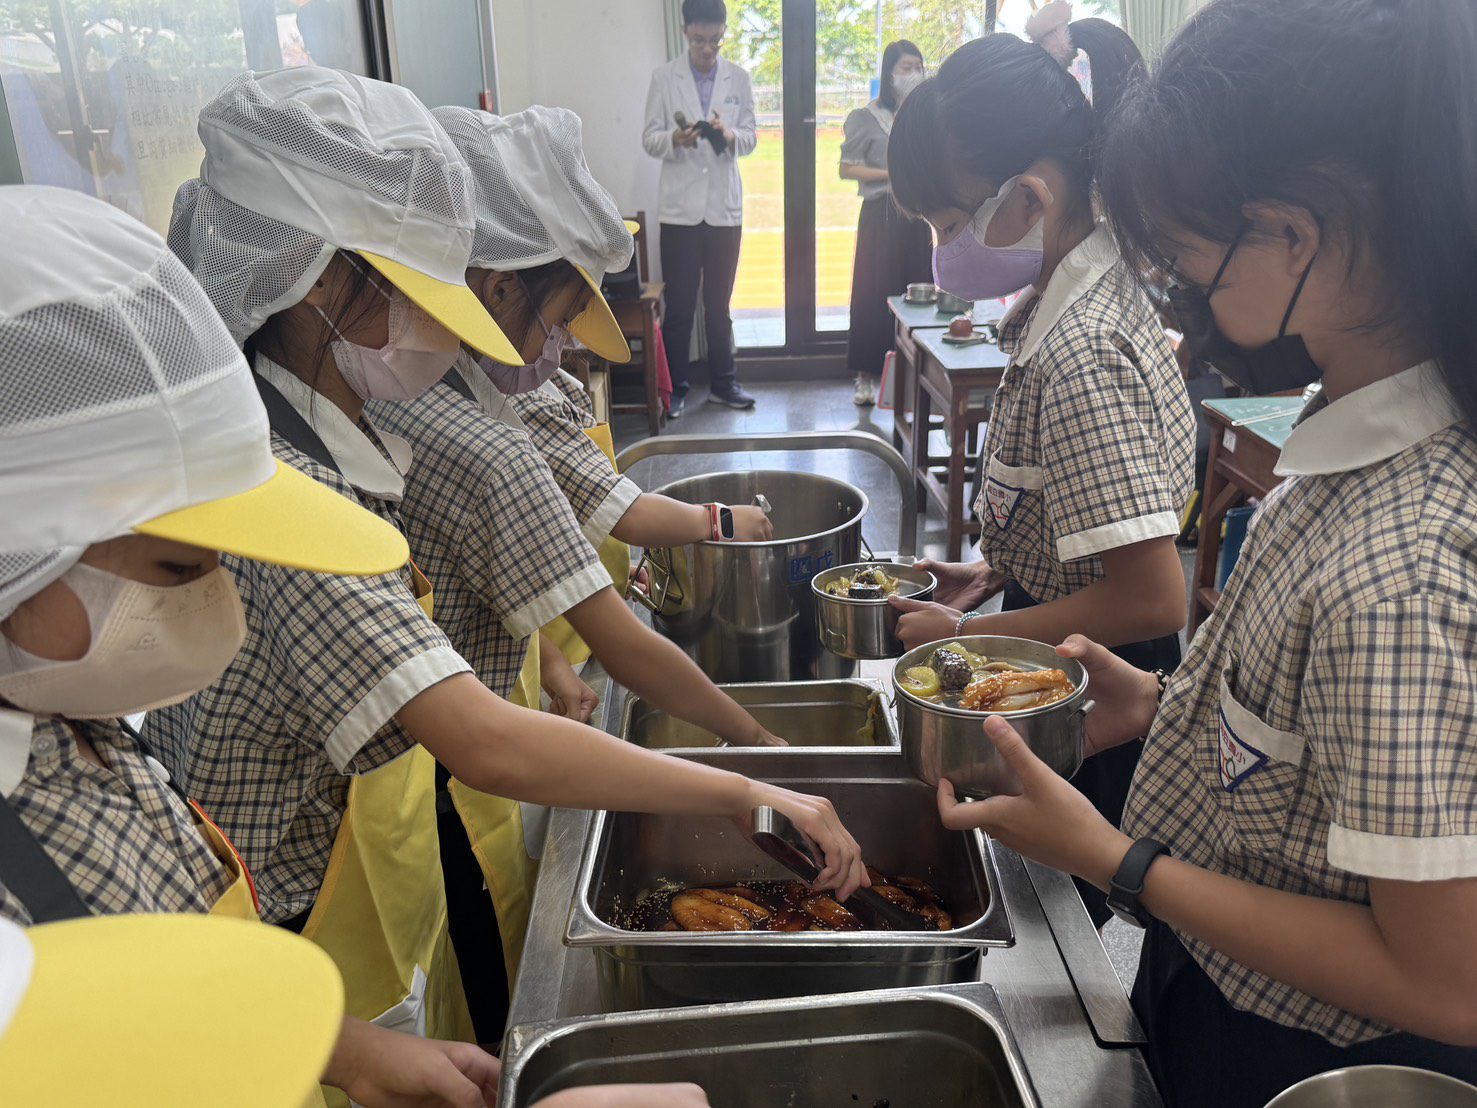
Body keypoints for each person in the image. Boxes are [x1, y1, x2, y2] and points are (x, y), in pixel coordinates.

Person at [148, 67, 864, 1068]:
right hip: (279, 906)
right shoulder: (288, 492)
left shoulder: (314, 420)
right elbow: (481, 737)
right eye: (424, 295)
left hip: (303, 862)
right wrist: (750, 784)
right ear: (318, 280)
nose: (448, 334)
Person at [935, 1, 1477, 1104]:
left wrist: (1118, 860)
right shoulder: (1348, 436)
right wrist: (1168, 699)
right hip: (1212, 978)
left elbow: (1446, 979)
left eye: (1190, 258)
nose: (1185, 292)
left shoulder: (1405, 563)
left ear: (1293, 234)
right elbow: (1314, 710)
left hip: (1308, 1060)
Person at [0, 184, 502, 1107]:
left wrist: (343, 1051)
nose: (219, 604)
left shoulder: (69, 719)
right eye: (181, 564)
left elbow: (173, 977)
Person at [883, 20, 1196, 926]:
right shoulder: (1066, 300)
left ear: (1030, 195)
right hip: (1054, 638)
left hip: (1094, 689)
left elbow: (1149, 598)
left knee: (1055, 918)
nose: (944, 247)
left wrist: (974, 639)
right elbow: (1084, 519)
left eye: (949, 222)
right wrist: (984, 580)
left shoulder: (1080, 352)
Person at [642, 0, 757, 416]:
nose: (708, 49)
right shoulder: (664, 77)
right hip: (680, 213)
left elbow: (752, 137)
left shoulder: (738, 78)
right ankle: (674, 391)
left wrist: (728, 136)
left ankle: (725, 385)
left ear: (723, 33)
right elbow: (649, 138)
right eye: (699, 40)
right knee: (680, 309)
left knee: (719, 306)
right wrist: (676, 139)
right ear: (686, 30)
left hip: (724, 212)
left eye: (715, 40)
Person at [839, 40, 932, 407]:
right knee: (872, 293)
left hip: (916, 216)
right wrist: (890, 172)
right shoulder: (866, 117)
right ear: (889, 72)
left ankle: (916, 376)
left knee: (918, 293)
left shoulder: (923, 116)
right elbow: (847, 168)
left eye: (918, 66)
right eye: (907, 67)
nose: (914, 74)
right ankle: (865, 376)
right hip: (880, 215)